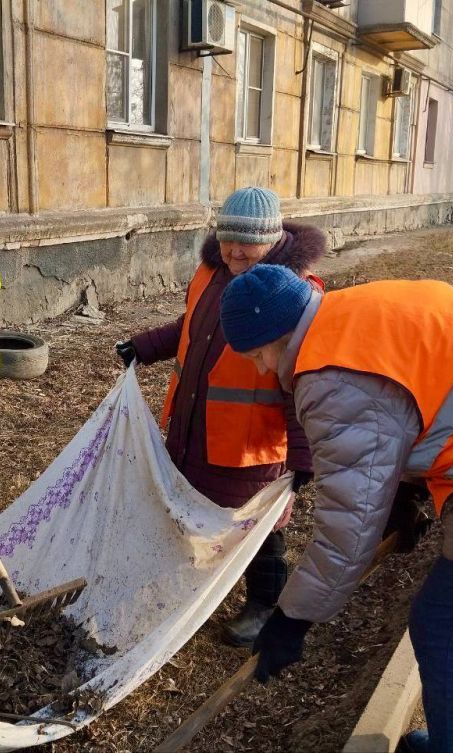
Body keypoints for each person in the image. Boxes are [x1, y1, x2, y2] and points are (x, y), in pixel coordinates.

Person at [219, 264, 453, 753]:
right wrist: (406, 492)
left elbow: (347, 529)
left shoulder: (333, 378)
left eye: (256, 355)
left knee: (452, 636)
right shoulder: (353, 316)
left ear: (278, 335)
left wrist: (292, 618)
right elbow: (420, 398)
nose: (261, 370)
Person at [115, 187, 324, 646]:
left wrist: (303, 456)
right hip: (193, 428)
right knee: (186, 508)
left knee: (256, 527)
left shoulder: (289, 292)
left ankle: (264, 607)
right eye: (227, 240)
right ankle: (186, 588)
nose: (234, 251)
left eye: (247, 243)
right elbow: (189, 327)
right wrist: (143, 347)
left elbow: (301, 379)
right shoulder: (211, 272)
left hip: (249, 447)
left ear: (272, 239)